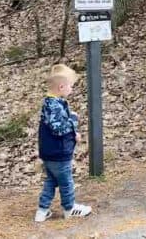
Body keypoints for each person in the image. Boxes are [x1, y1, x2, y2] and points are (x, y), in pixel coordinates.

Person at [34, 64, 92, 222]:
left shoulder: (49, 103)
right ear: (61, 87)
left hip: (48, 153)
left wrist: (74, 133)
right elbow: (59, 129)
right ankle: (69, 207)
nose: (71, 89)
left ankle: (42, 210)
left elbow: (57, 126)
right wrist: (73, 120)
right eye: (71, 86)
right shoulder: (55, 106)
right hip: (59, 153)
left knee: (51, 181)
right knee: (66, 181)